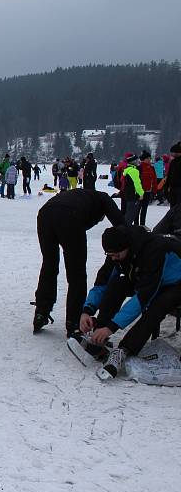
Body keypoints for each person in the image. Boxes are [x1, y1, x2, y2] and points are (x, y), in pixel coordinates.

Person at [76, 226, 181, 380]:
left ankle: (124, 351)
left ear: (128, 248)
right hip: (151, 278)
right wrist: (87, 310)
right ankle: (98, 339)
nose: (113, 258)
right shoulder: (117, 250)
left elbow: (143, 297)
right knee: (117, 284)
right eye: (109, 255)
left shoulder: (154, 250)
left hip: (176, 282)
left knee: (157, 305)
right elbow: (103, 282)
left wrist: (111, 327)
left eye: (116, 255)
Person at [33, 189, 124, 337]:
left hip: (45, 214)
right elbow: (121, 224)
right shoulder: (104, 199)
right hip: (70, 217)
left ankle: (41, 312)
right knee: (77, 274)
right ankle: (74, 323)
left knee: (49, 265)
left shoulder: (80, 195)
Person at [120, 154, 143, 225]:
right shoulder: (134, 171)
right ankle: (125, 229)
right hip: (133, 195)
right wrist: (141, 193)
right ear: (133, 161)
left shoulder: (127, 169)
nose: (138, 162)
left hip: (128, 194)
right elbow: (137, 183)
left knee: (129, 212)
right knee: (131, 214)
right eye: (136, 160)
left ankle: (125, 228)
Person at [137, 150, 157, 226]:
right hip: (140, 192)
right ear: (143, 159)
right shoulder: (139, 167)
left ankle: (142, 225)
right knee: (137, 209)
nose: (149, 160)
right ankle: (136, 224)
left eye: (150, 158)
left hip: (148, 191)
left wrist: (154, 190)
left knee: (144, 209)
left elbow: (154, 180)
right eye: (147, 158)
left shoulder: (152, 168)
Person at [162, 141, 181, 207]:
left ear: (178, 153)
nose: (171, 155)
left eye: (172, 153)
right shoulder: (173, 162)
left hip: (178, 189)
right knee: (173, 210)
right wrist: (166, 187)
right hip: (173, 189)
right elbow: (169, 175)